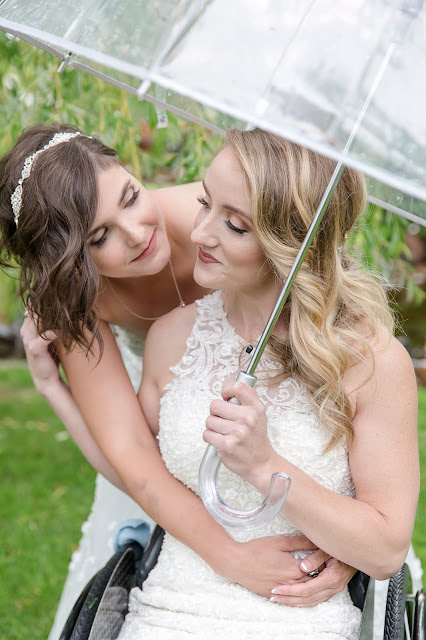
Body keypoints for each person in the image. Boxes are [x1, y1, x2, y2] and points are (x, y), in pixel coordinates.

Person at [0, 124, 354, 639]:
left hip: (288, 433)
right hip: (173, 440)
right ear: (70, 264)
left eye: (131, 197)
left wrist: (343, 547)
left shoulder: (223, 211)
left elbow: (336, 328)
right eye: (101, 238)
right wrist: (228, 556)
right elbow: (134, 455)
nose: (137, 233)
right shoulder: (77, 298)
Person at [111, 128, 418, 639]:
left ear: (291, 241)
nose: (201, 233)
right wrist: (55, 390)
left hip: (298, 619)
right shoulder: (171, 337)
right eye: (204, 202)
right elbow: (136, 467)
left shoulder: (372, 362)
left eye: (234, 224)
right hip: (167, 611)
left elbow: (386, 549)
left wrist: (264, 465)